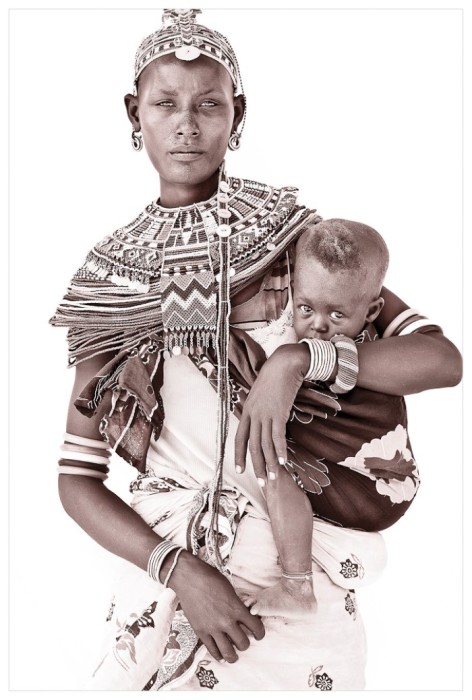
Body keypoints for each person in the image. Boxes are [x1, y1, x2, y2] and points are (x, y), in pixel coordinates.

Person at [49, 9, 462, 691]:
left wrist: (299, 361)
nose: (187, 124)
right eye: (165, 104)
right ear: (134, 114)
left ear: (237, 114)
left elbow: (441, 361)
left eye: (209, 104)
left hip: (297, 589)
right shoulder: (108, 283)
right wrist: (180, 572)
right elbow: (77, 478)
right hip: (173, 586)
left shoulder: (297, 245)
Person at [238, 217, 423, 619]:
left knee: (272, 464)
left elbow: (344, 377)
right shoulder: (335, 318)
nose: (318, 325)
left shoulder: (345, 351)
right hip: (374, 486)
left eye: (337, 315)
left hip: (373, 483)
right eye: (305, 308)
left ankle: (296, 587)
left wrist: (292, 360)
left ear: (372, 310)